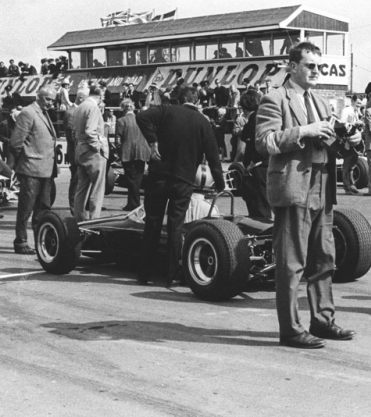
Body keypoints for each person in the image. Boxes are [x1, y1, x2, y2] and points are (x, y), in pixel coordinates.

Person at [256, 41, 360, 349]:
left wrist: (347, 138)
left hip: (322, 185)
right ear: (292, 67)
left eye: (319, 66)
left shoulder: (321, 101)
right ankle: (290, 329)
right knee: (291, 262)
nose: (317, 71)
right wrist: (304, 131)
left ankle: (323, 320)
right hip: (293, 186)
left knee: (324, 257)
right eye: (310, 66)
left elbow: (328, 142)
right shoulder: (275, 99)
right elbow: (264, 142)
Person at [135, 85, 225, 286]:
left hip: (158, 175)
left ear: (179, 98)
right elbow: (213, 158)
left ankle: (144, 273)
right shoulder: (203, 122)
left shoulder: (167, 110)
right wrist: (220, 183)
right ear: (197, 101)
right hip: (183, 179)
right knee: (176, 226)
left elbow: (141, 117)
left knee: (153, 223)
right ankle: (171, 275)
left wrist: (153, 141)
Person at [9, 85, 58, 254]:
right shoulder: (28, 113)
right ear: (38, 96)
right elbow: (15, 142)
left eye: (53, 100)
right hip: (31, 169)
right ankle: (21, 241)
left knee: (43, 209)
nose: (50, 103)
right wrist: (25, 160)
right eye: (48, 99)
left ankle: (40, 241)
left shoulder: (44, 113)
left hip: (46, 169)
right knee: (26, 208)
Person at [73, 86, 108, 222]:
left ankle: (79, 218)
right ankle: (95, 220)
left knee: (82, 187)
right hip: (92, 152)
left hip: (80, 150)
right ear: (100, 95)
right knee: (98, 188)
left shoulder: (80, 107)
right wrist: (97, 147)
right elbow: (90, 131)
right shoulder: (93, 108)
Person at [239, 90, 273, 220]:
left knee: (259, 208)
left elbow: (254, 140)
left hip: (257, 168)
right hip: (265, 166)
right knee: (262, 205)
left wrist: (252, 163)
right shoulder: (264, 116)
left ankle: (260, 235)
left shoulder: (255, 119)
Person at [115, 98, 151, 211]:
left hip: (128, 152)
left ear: (123, 108)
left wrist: (119, 151)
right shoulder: (142, 119)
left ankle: (134, 203)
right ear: (133, 107)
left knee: (131, 179)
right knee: (138, 178)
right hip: (142, 151)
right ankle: (134, 203)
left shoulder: (121, 121)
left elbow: (118, 140)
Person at [64, 88, 88, 214]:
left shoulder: (78, 111)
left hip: (81, 152)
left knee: (81, 180)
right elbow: (73, 136)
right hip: (76, 153)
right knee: (76, 181)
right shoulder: (72, 112)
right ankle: (74, 208)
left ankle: (82, 207)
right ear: (80, 98)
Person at [339, 94, 363, 195]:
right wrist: (355, 124)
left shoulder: (357, 111)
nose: (358, 105)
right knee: (347, 164)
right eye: (357, 103)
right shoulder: (346, 111)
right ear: (352, 101)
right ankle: (347, 187)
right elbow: (342, 124)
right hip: (348, 140)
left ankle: (352, 185)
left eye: (360, 104)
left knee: (353, 163)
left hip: (356, 140)